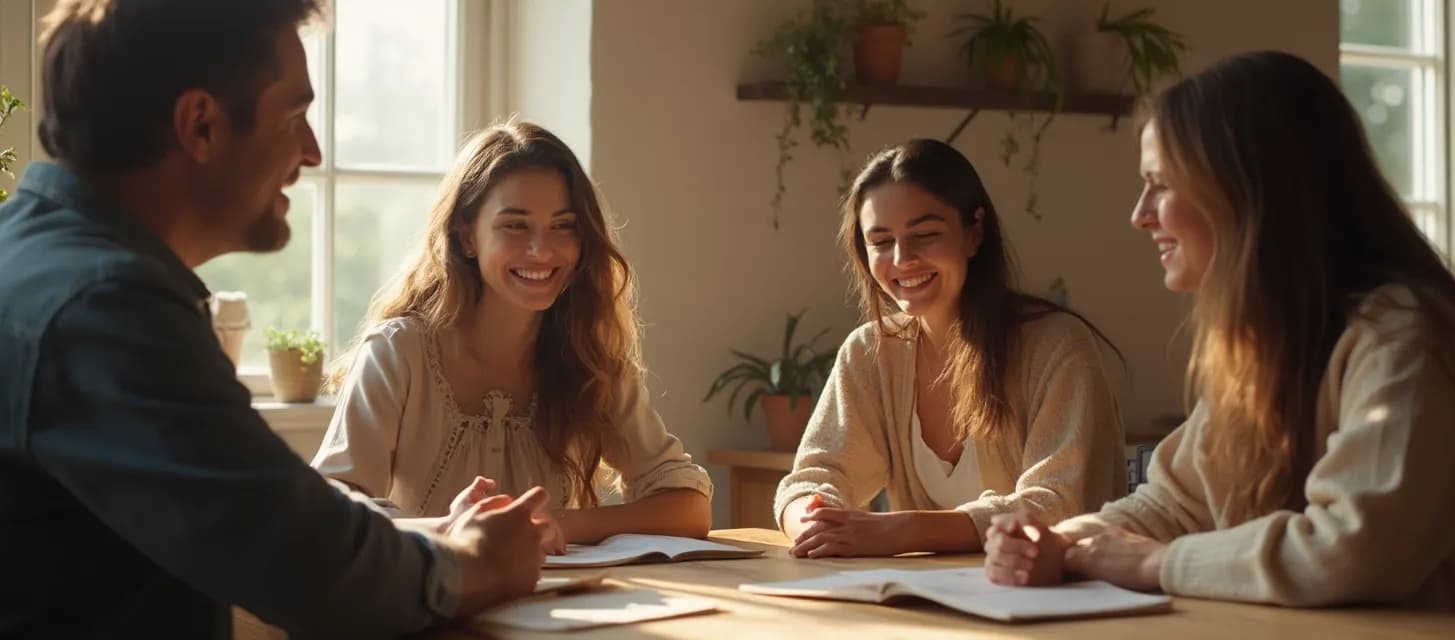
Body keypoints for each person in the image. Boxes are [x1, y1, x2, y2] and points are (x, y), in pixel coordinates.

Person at [0, 1, 552, 636]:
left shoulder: (38, 263)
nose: (313, 152)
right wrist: (479, 560)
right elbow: (300, 560)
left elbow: (268, 505)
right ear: (201, 125)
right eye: (295, 116)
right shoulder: (102, 305)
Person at [983, 51, 1455, 619]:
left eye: (1161, 185)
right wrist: (1060, 544)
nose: (1140, 215)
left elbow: (1350, 550)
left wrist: (1154, 565)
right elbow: (1170, 506)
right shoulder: (1263, 346)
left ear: (1247, 192)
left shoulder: (1413, 340)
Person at [312, 122, 712, 547]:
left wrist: (557, 524)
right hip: (427, 606)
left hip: (559, 606)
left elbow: (688, 506)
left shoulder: (587, 358)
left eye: (563, 226)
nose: (542, 250)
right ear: (467, 236)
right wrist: (451, 530)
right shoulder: (397, 352)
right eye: (516, 226)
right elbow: (328, 513)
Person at [775, 139, 1127, 558]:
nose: (903, 258)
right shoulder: (871, 351)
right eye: (881, 242)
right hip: (926, 604)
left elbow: (1056, 505)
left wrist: (902, 530)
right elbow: (813, 478)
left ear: (974, 233)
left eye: (924, 235)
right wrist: (816, 521)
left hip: (1051, 603)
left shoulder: (1057, 347)